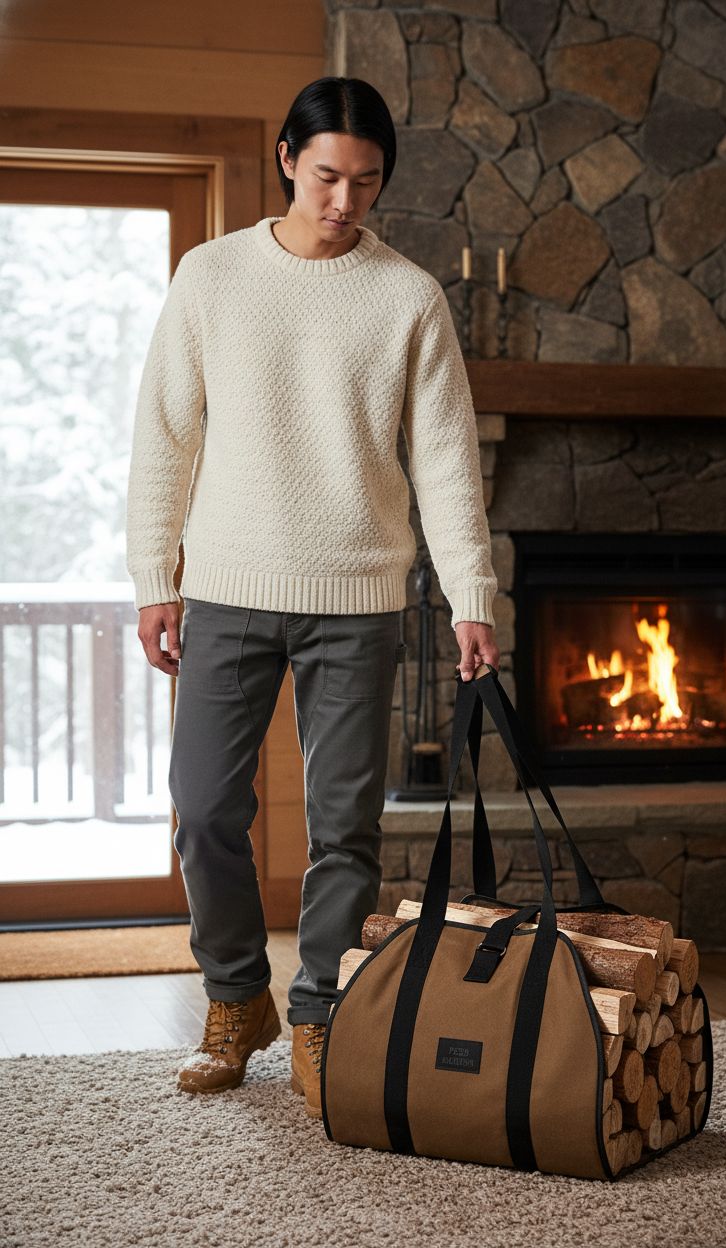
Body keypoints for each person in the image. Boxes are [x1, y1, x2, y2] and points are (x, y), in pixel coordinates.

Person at [125, 76, 500, 1118]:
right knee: (204, 810)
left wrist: (474, 595)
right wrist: (155, 575)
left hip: (360, 596)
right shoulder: (210, 278)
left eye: (367, 181)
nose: (345, 199)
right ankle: (236, 999)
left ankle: (321, 1012)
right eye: (328, 175)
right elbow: (165, 435)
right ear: (287, 159)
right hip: (228, 589)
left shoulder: (407, 296)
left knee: (345, 827)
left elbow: (446, 465)